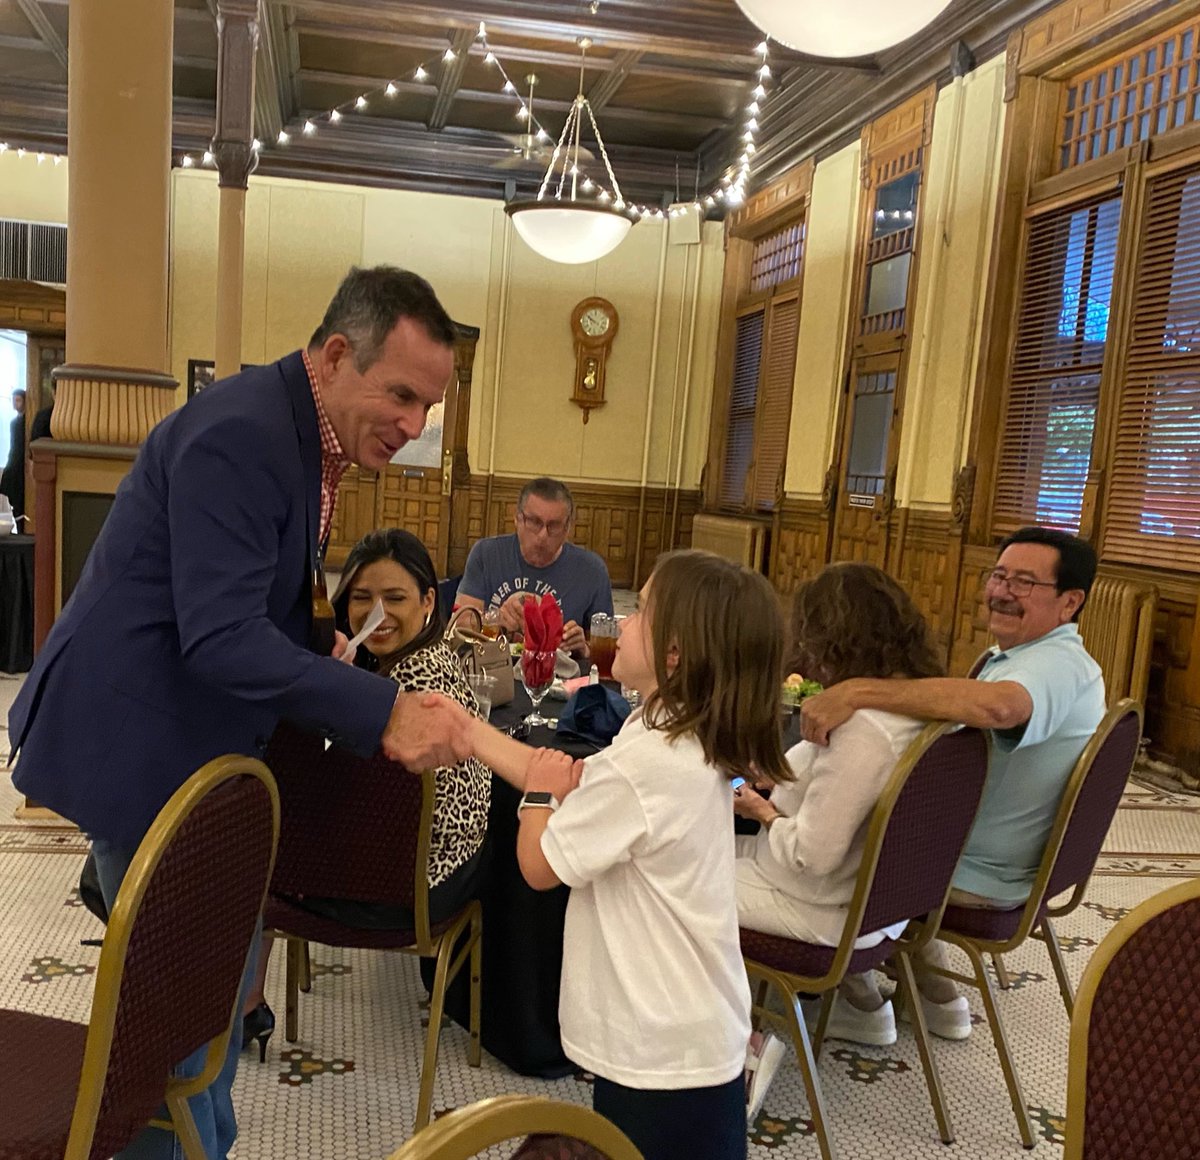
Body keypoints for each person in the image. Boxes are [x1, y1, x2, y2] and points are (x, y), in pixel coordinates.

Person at [9, 266, 476, 1160]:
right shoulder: (245, 432)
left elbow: (247, 601)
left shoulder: (297, 429)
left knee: (203, 1024)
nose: (416, 426)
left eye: (430, 407)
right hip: (141, 749)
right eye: (403, 395)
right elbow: (219, 638)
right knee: (171, 1040)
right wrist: (380, 708)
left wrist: (311, 649)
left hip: (191, 750)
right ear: (338, 355)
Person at [469, 550, 794, 1160]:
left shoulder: (648, 765)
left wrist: (538, 795)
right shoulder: (668, 730)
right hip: (685, 1031)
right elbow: (580, 779)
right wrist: (468, 733)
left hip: (660, 1051)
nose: (622, 620)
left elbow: (538, 866)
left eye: (641, 610)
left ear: (674, 652)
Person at [799, 526, 1105, 1040]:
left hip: (977, 871)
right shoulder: (1020, 658)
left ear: (1070, 602)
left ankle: (852, 994)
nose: (1002, 591)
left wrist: (855, 691)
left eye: (1025, 583)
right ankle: (936, 996)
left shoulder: (1057, 663)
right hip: (980, 855)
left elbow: (999, 707)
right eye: (999, 576)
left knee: (823, 840)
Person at [240, 527, 493, 1057]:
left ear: (429, 601)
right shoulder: (414, 673)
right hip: (411, 897)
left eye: (395, 598)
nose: (378, 612)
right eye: (362, 598)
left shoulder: (380, 694)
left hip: (333, 886)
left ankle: (246, 1008)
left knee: (256, 847)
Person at [731, 563, 945, 1117]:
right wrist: (776, 782)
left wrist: (762, 809)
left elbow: (813, 855)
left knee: (657, 876)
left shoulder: (863, 733)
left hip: (819, 909)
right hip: (881, 911)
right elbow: (839, 795)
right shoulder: (919, 709)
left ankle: (714, 1054)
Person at [456, 476, 613, 655]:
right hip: (492, 670)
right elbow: (460, 626)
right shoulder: (486, 554)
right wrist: (496, 619)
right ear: (517, 519)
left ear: (568, 528)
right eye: (534, 522)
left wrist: (583, 648)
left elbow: (605, 653)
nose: (542, 536)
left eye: (553, 526)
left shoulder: (592, 571)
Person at [1, 387, 26, 521]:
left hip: (22, 465)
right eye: (13, 400)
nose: (15, 403)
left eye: (18, 400)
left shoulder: (25, 422)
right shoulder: (14, 422)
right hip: (15, 462)